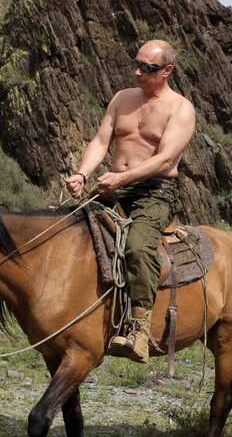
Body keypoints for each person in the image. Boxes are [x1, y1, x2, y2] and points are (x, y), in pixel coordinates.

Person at [64, 39, 196, 363]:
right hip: (114, 186)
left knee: (138, 245)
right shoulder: (122, 98)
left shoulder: (181, 109)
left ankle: (140, 330)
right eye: (136, 64)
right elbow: (100, 140)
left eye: (147, 68)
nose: (137, 72)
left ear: (167, 71)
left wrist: (122, 178)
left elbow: (165, 160)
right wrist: (82, 174)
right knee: (66, 226)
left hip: (156, 190)